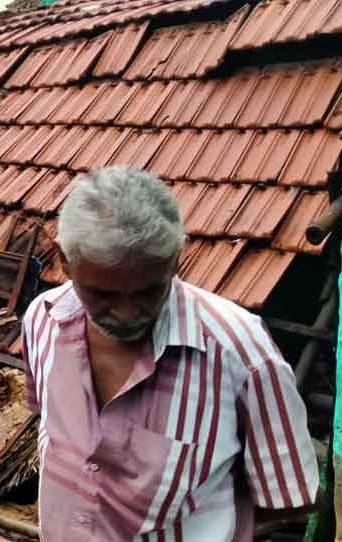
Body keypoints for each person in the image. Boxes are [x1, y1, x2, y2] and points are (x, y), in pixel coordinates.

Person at [21, 166, 319, 541]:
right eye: (104, 295)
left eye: (148, 292)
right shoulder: (41, 321)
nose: (128, 314)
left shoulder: (242, 353)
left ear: (176, 260)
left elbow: (289, 504)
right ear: (65, 262)